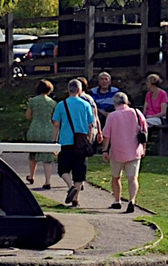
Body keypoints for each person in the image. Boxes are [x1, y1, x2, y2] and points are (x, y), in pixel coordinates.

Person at [52, 78, 99, 207]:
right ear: (79, 90)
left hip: (65, 141)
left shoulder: (61, 104)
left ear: (68, 90)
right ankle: (76, 199)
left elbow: (56, 124)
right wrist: (89, 139)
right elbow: (91, 124)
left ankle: (70, 186)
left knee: (63, 169)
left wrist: (54, 141)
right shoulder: (85, 105)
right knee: (79, 171)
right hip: (81, 142)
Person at [102, 91, 149, 212]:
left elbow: (106, 135)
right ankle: (132, 200)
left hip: (117, 151)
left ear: (115, 103)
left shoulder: (112, 116)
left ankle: (117, 200)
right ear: (127, 101)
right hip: (134, 150)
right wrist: (143, 147)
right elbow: (144, 131)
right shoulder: (137, 113)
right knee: (133, 178)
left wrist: (104, 150)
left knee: (116, 177)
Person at [25, 80, 59, 189]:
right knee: (47, 157)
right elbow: (55, 119)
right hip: (48, 129)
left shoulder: (32, 101)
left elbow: (28, 116)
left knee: (33, 155)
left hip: (35, 128)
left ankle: (31, 176)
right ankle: (47, 181)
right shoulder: (53, 103)